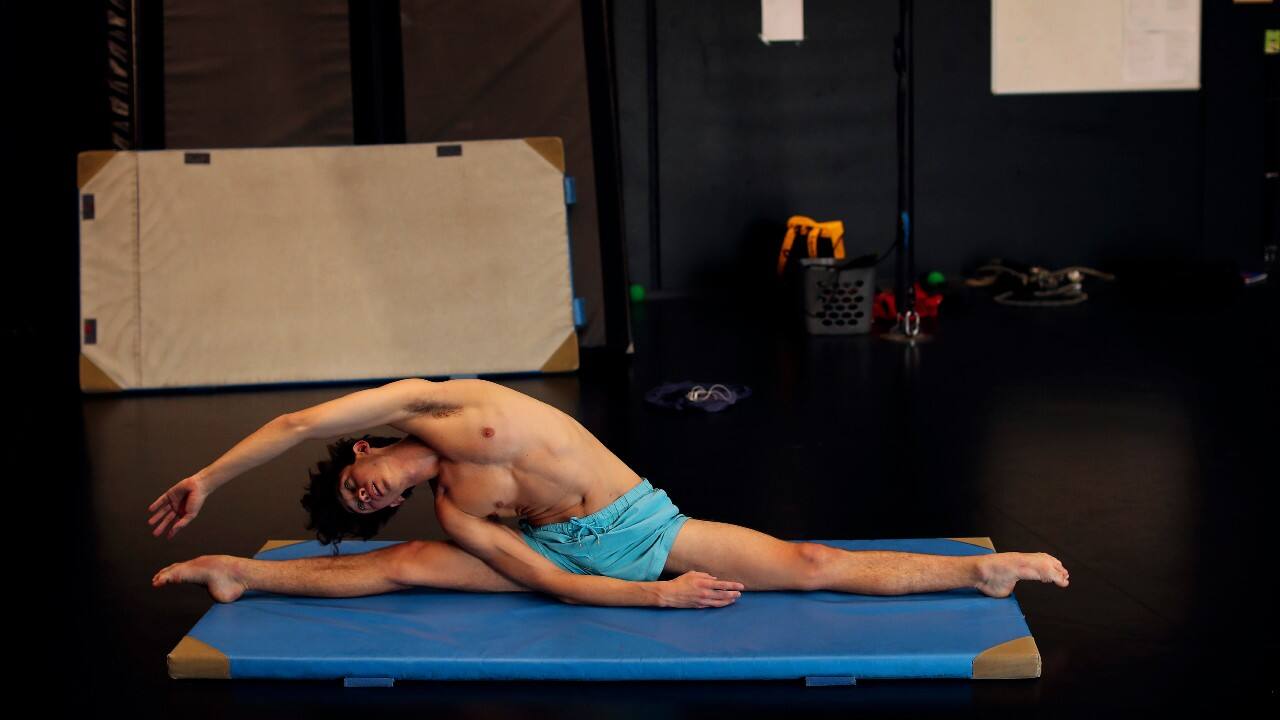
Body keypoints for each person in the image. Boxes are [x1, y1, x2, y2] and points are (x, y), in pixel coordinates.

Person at [150, 378, 1069, 608]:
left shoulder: (436, 401)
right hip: (568, 559)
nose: (368, 490)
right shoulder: (454, 512)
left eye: (357, 482)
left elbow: (294, 425)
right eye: (364, 502)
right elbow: (547, 584)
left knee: (813, 563)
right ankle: (239, 574)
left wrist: (207, 475)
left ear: (367, 450)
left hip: (639, 522)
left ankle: (977, 578)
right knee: (401, 569)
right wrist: (654, 602)